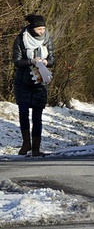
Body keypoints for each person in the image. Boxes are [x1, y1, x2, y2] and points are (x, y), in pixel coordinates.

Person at [13, 14, 54, 156]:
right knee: (23, 113)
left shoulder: (47, 40)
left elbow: (52, 59)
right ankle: (26, 144)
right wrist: (31, 61)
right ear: (32, 28)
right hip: (23, 82)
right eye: (39, 29)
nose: (42, 31)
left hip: (40, 83)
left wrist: (46, 62)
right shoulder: (20, 40)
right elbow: (17, 61)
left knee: (37, 116)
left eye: (43, 28)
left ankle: (36, 147)